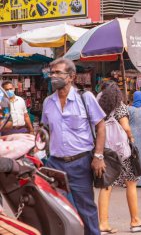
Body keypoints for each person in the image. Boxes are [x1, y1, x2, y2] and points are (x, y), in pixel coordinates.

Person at [41, 58, 106, 235]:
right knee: (59, 210)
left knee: (86, 209)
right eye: (51, 73)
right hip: (54, 164)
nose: (53, 76)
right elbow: (45, 130)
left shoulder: (85, 98)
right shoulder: (48, 102)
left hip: (80, 163)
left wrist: (98, 156)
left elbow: (101, 126)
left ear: (71, 77)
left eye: (58, 73)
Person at [97, 82, 141, 233]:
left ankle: (103, 223)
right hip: (122, 152)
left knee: (107, 185)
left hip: (105, 149)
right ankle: (135, 220)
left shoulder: (98, 105)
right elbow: (126, 127)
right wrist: (131, 138)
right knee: (131, 182)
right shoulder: (119, 105)